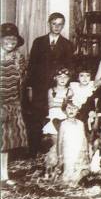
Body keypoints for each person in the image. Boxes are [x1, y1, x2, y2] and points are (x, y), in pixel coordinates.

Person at [25, 13, 75, 157]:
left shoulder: (67, 45)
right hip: (39, 87)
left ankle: (57, 152)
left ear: (63, 26)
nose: (57, 27)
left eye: (60, 24)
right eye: (54, 23)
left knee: (56, 119)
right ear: (49, 24)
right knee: (36, 118)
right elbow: (31, 66)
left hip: (57, 89)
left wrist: (66, 87)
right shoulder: (38, 42)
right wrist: (30, 87)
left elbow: (70, 68)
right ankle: (33, 151)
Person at [0, 23, 28, 183]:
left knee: (6, 142)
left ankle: (4, 175)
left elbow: (21, 82)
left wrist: (18, 102)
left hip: (12, 103)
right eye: (6, 38)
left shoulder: (19, 57)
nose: (10, 42)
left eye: (13, 39)